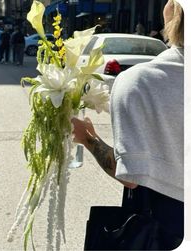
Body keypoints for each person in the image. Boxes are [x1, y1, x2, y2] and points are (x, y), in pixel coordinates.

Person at [71, 0, 184, 249]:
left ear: (174, 12)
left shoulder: (139, 82)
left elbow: (130, 175)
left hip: (166, 229)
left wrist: (87, 138)